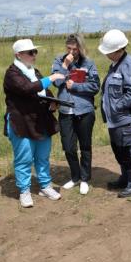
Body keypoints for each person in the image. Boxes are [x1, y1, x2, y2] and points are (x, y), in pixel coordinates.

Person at [3, 39, 65, 208]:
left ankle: (45, 186)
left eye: (35, 52)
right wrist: (51, 78)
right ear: (19, 55)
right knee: (24, 159)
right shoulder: (12, 74)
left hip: (40, 121)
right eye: (30, 52)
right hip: (21, 123)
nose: (34, 55)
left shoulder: (34, 71)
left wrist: (53, 101)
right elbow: (26, 88)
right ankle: (24, 191)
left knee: (42, 157)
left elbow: (42, 90)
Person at [98, 29, 131, 198]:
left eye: (108, 52)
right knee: (119, 150)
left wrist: (117, 106)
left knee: (127, 151)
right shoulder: (115, 64)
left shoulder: (129, 65)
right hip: (116, 119)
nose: (106, 55)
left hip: (127, 118)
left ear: (118, 49)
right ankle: (125, 178)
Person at [51, 34, 100, 195]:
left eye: (75, 48)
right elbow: (57, 82)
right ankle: (75, 176)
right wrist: (65, 65)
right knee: (69, 147)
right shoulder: (59, 61)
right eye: (69, 48)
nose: (72, 51)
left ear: (80, 47)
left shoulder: (89, 63)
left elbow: (95, 86)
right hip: (65, 111)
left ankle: (85, 179)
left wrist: (77, 86)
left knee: (85, 146)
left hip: (84, 110)